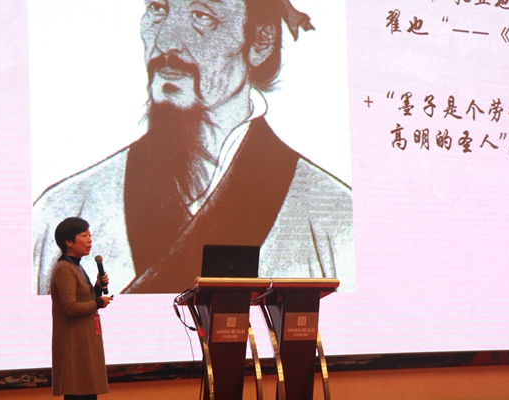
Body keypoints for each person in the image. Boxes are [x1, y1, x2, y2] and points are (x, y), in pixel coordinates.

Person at [33, 0, 355, 295]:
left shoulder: (332, 217)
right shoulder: (66, 210)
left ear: (260, 41)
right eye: (158, 9)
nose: (166, 41)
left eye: (201, 16)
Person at [50, 217, 113, 399]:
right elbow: (70, 307)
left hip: (84, 341)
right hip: (74, 345)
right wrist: (98, 303)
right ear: (68, 242)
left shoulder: (76, 266)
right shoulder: (64, 268)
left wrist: (97, 288)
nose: (89, 240)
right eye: (84, 236)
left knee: (87, 393)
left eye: (90, 235)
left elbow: (83, 298)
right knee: (78, 394)